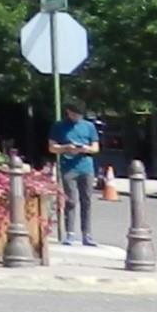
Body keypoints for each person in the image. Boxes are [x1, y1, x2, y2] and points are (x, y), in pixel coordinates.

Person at [54, 104, 101, 245]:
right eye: (74, 114)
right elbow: (51, 147)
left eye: (79, 115)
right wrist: (65, 148)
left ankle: (87, 234)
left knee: (86, 200)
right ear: (68, 112)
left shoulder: (89, 126)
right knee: (71, 201)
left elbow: (96, 147)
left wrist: (86, 149)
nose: (77, 117)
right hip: (68, 167)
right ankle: (70, 233)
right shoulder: (59, 126)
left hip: (86, 167)